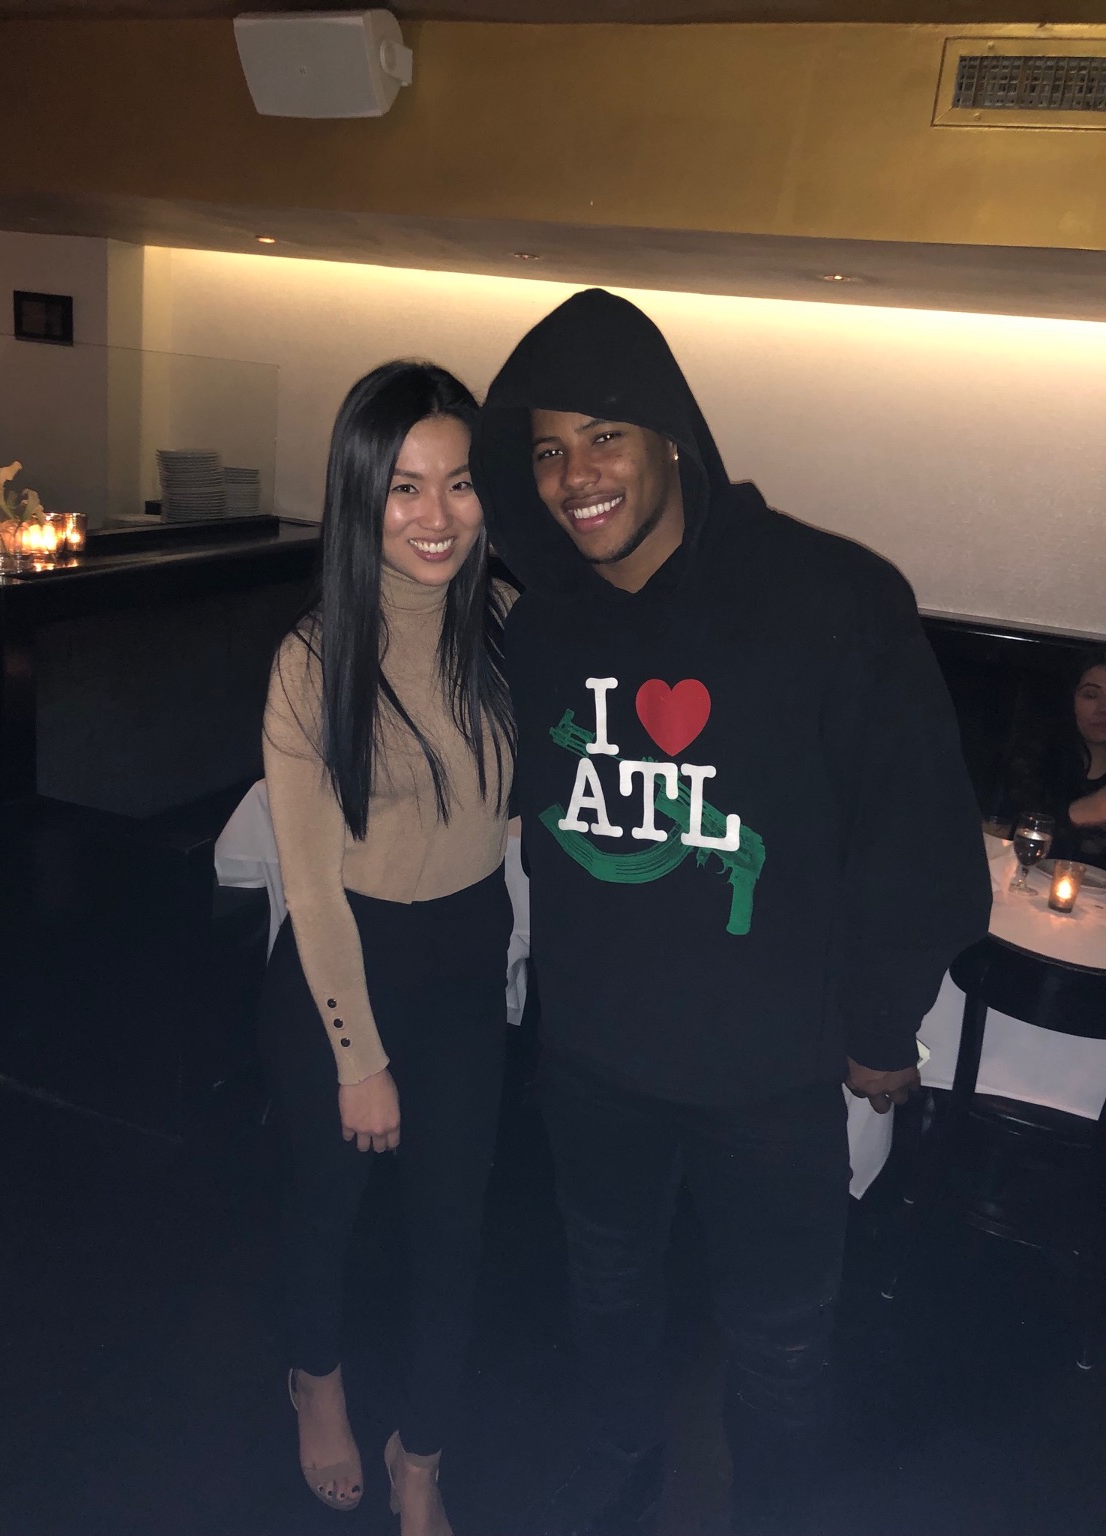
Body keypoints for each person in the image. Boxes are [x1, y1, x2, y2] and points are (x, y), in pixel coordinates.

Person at [471, 289, 991, 1534]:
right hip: (593, 1061)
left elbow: (917, 832)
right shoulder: (545, 628)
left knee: (782, 1342)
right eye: (547, 450)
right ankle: (619, 1466)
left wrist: (882, 1024)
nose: (575, 476)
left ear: (671, 435)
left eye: (604, 435)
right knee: (606, 1296)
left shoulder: (831, 599)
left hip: (770, 1072)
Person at [259, 361, 515, 1534]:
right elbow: (310, 885)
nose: (435, 516)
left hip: (466, 963)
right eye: (404, 487)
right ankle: (315, 1379)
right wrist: (357, 1056)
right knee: (326, 1211)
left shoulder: (506, 627)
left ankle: (423, 1455)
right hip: (343, 966)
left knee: (453, 1233)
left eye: (459, 483)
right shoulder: (314, 660)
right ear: (359, 497)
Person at [1001, 651, 1106, 867]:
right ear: (1070, 699)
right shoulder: (1036, 755)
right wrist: (1084, 811)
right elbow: (1010, 836)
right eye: (1090, 695)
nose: (1104, 709)